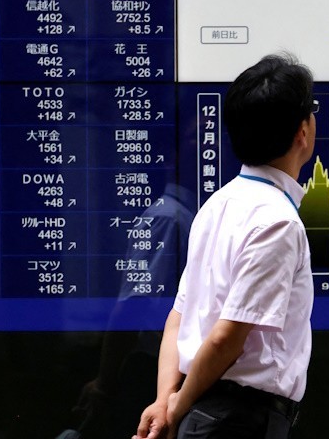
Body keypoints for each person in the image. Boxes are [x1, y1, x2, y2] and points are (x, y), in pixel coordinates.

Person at [133, 53, 317, 439]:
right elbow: (226, 337)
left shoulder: (216, 205)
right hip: (238, 420)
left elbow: (178, 316)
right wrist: (174, 409)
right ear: (302, 132)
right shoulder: (278, 222)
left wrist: (165, 400)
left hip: (206, 412)